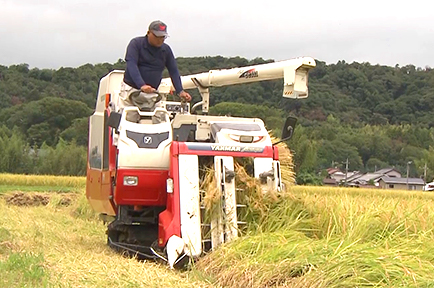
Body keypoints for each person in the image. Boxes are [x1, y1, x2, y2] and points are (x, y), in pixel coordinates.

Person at [123, 20, 191, 103]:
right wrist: (142, 85)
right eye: (157, 36)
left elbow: (173, 71)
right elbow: (132, 65)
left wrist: (180, 91)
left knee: (158, 115)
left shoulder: (166, 50)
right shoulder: (136, 44)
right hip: (132, 89)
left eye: (162, 37)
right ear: (148, 33)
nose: (160, 40)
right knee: (130, 115)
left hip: (153, 92)